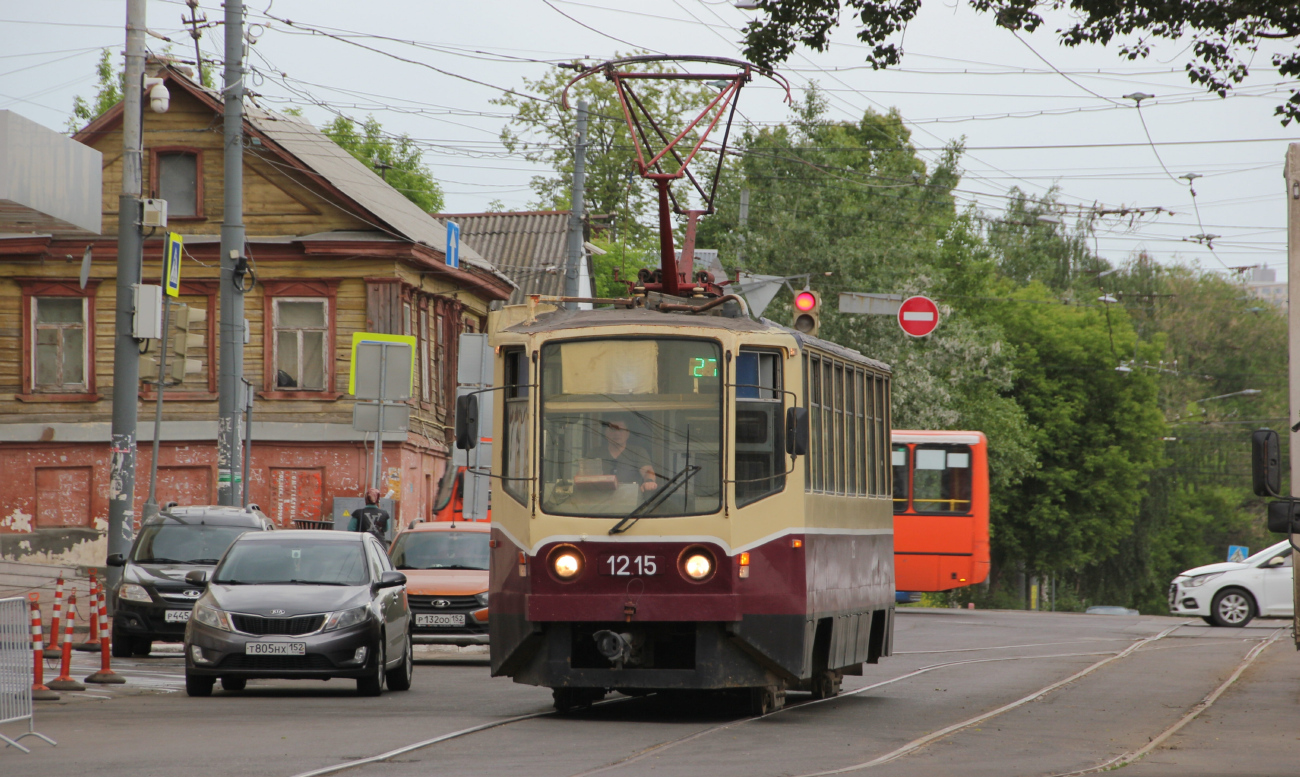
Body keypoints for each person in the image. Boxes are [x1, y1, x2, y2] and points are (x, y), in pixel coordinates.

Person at [600, 418, 658, 492]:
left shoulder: (638, 452)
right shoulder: (594, 453)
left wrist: (649, 481)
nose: (617, 433)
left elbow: (647, 470)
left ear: (628, 433)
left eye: (621, 429)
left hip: (631, 497)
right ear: (605, 433)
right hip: (599, 497)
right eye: (612, 429)